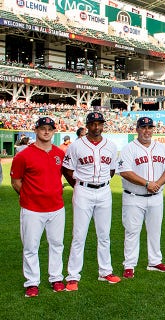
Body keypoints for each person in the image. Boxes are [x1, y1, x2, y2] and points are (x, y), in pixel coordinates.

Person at [63, 112, 120, 292]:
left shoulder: (111, 146)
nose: (97, 127)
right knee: (79, 235)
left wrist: (100, 183)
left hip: (104, 190)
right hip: (83, 191)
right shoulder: (76, 146)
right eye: (93, 124)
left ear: (103, 125)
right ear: (87, 125)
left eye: (99, 123)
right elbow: (67, 170)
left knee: (104, 235)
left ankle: (105, 272)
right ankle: (72, 276)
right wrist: (79, 187)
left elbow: (111, 171)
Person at [11, 117, 66, 297]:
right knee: (30, 246)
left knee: (57, 244)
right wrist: (28, 196)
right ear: (36, 130)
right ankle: (32, 282)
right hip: (32, 209)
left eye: (49, 129)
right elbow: (15, 181)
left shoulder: (59, 153)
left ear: (54, 132)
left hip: (56, 207)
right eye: (42, 128)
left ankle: (56, 278)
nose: (46, 131)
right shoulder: (24, 155)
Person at [117, 117, 165, 279]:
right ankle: (129, 265)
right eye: (143, 127)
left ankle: (155, 261)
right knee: (132, 231)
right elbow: (125, 172)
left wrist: (156, 184)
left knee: (155, 230)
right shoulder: (129, 149)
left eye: (150, 127)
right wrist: (147, 183)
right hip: (134, 197)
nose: (147, 130)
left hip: (155, 196)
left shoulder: (161, 148)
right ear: (137, 129)